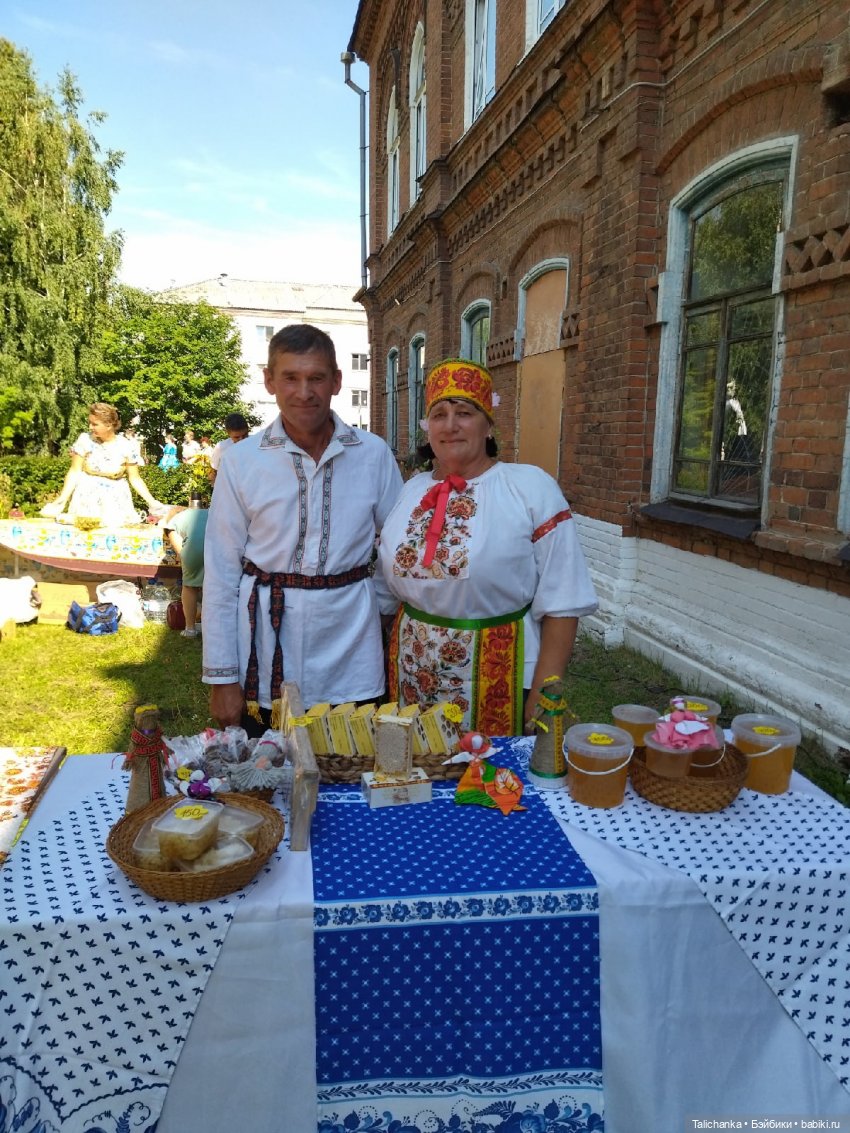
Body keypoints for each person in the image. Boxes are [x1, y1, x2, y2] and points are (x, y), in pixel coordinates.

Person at [377, 358, 599, 737]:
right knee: (418, 775)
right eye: (439, 414)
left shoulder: (528, 488)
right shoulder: (412, 490)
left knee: (493, 785)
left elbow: (562, 600)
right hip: (410, 671)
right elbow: (387, 589)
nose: (450, 425)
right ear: (426, 427)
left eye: (464, 412)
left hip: (500, 671)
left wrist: (545, 695)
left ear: (488, 423)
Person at [202, 324, 403, 731]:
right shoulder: (242, 461)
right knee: (267, 776)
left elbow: (399, 546)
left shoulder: (372, 453)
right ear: (269, 381)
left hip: (352, 648)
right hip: (265, 645)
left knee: (352, 770)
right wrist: (222, 676)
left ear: (336, 382)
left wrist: (376, 607)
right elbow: (221, 570)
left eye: (316, 378)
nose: (304, 391)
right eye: (290, 378)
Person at [40, 402, 162, 527]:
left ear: (109, 425)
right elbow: (74, 472)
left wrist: (151, 502)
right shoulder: (84, 440)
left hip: (116, 500)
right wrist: (62, 499)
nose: (90, 427)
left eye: (95, 424)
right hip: (86, 497)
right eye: (90, 423)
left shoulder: (126, 446)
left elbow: (135, 478)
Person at [163, 495, 209, 638]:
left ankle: (190, 629)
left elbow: (171, 532)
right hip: (214, 549)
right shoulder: (212, 512)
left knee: (189, 587)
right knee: (212, 588)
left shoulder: (177, 517)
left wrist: (183, 555)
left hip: (191, 551)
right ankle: (211, 628)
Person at [209, 413, 250, 484]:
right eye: (236, 437)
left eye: (244, 435)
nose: (241, 440)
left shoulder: (257, 444)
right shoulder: (221, 447)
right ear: (228, 433)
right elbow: (214, 471)